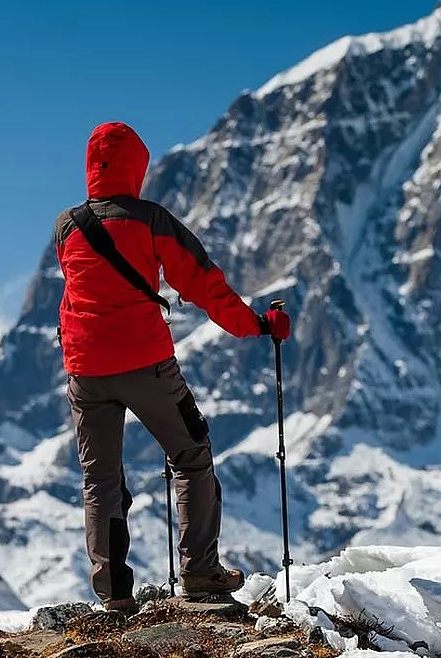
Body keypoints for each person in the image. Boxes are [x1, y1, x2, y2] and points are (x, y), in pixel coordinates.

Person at [54, 122, 291, 613]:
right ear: (136, 167)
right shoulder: (151, 220)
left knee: (101, 480)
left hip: (85, 369)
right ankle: (200, 572)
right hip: (146, 363)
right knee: (191, 452)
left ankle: (114, 595)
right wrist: (256, 325)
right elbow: (203, 282)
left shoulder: (67, 226)